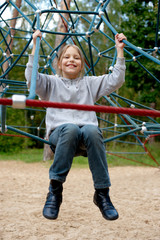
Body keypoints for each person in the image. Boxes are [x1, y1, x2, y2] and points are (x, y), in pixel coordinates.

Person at [25, 30, 126, 221]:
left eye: (76, 58)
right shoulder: (51, 83)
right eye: (67, 57)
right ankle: (55, 191)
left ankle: (102, 193)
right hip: (60, 137)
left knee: (91, 129)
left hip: (87, 139)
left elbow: (116, 80)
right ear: (59, 63)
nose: (72, 60)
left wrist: (119, 51)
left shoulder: (89, 83)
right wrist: (34, 47)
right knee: (70, 128)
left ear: (82, 65)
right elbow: (32, 79)